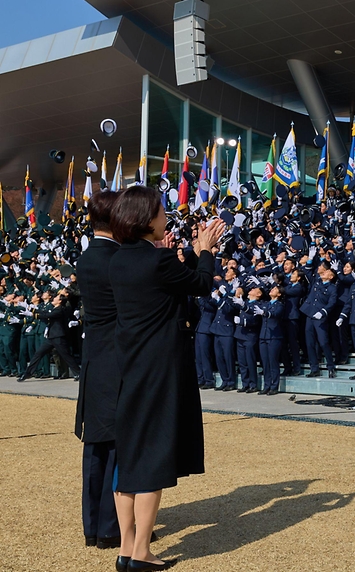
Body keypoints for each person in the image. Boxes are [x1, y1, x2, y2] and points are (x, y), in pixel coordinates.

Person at [109, 185, 224, 570]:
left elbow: (169, 281)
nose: (166, 217)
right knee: (153, 456)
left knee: (128, 456)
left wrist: (184, 255)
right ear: (145, 218)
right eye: (160, 212)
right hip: (160, 368)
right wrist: (205, 249)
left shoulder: (120, 260)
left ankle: (127, 548)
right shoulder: (157, 262)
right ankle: (142, 551)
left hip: (131, 365)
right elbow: (201, 285)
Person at [74, 190, 122, 550]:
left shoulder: (88, 256)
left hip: (95, 358)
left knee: (97, 447)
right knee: (118, 445)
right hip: (117, 360)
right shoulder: (118, 259)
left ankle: (94, 525)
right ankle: (111, 527)